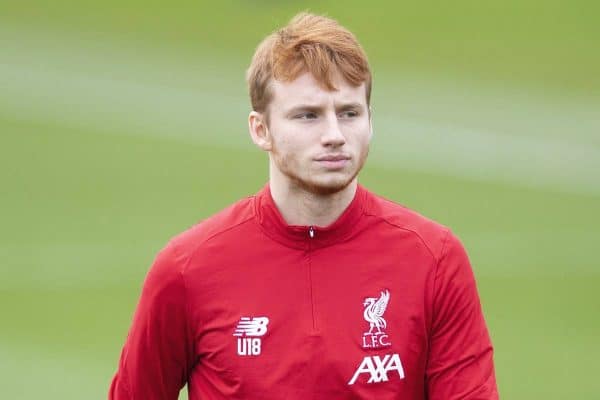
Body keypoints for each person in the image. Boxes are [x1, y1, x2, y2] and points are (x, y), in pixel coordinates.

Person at [109, 12, 498, 399]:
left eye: (349, 113)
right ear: (260, 129)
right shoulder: (187, 269)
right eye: (308, 116)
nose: (334, 135)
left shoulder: (434, 259)